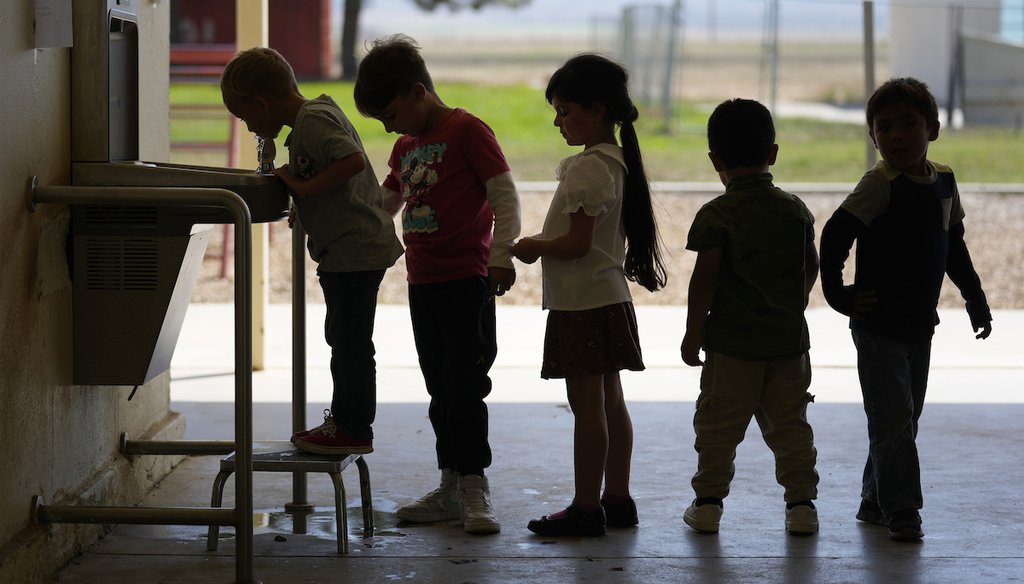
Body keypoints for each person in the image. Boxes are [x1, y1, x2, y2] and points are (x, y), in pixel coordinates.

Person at [352, 34, 521, 535]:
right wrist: (344, 223)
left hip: (466, 281)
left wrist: (502, 254)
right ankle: (449, 485)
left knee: (467, 384)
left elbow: (504, 196)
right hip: (422, 283)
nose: (389, 127)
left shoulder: (468, 130)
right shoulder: (406, 147)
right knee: (438, 386)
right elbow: (384, 206)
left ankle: (475, 487)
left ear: (418, 91)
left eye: (391, 114)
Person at [819, 77, 992, 541]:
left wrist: (973, 295)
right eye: (885, 127)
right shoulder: (879, 183)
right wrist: (839, 294)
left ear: (933, 128)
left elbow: (953, 244)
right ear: (872, 136)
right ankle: (904, 509)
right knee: (893, 418)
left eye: (908, 125)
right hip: (877, 325)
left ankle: (874, 500)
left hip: (920, 324)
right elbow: (835, 235)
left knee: (904, 417)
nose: (896, 135)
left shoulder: (945, 181)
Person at [512, 54, 667, 537]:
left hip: (582, 301)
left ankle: (585, 508)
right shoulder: (617, 162)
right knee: (611, 402)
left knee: (588, 407)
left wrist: (532, 245)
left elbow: (577, 244)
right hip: (609, 296)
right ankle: (616, 499)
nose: (558, 122)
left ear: (597, 111)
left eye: (565, 111)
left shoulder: (588, 169)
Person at [220, 47, 403, 456]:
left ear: (262, 103)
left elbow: (352, 162)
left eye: (247, 118)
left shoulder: (313, 120)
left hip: (355, 248)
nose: (251, 128)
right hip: (348, 248)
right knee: (343, 336)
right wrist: (306, 202)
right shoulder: (311, 117)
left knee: (350, 342)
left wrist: (303, 188)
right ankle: (346, 421)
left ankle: (353, 426)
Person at [680, 98, 820, 536]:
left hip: (732, 346)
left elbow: (704, 280)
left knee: (718, 427)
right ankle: (801, 506)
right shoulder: (794, 209)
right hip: (787, 342)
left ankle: (708, 504)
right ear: (772, 153)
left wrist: (692, 333)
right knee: (791, 426)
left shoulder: (717, 215)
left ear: (714, 160)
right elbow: (811, 265)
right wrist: (793, 302)